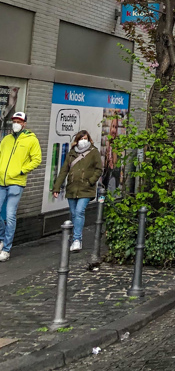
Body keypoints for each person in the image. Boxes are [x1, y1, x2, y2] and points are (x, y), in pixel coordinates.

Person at [0, 111, 42, 261]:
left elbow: (37, 159)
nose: (15, 124)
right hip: (1, 181)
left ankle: (6, 249)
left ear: (24, 123)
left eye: (19, 121)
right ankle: (2, 238)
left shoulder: (31, 140)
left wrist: (22, 170)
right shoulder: (6, 139)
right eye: (14, 121)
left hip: (16, 182)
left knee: (10, 215)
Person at [52, 129, 103, 252]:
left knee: (80, 212)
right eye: (81, 139)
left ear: (89, 139)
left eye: (85, 138)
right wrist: (57, 187)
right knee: (74, 213)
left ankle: (77, 239)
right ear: (77, 141)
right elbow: (64, 171)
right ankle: (75, 235)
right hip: (72, 188)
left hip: (86, 188)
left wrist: (90, 181)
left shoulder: (94, 152)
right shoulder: (71, 154)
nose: (83, 141)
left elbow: (99, 169)